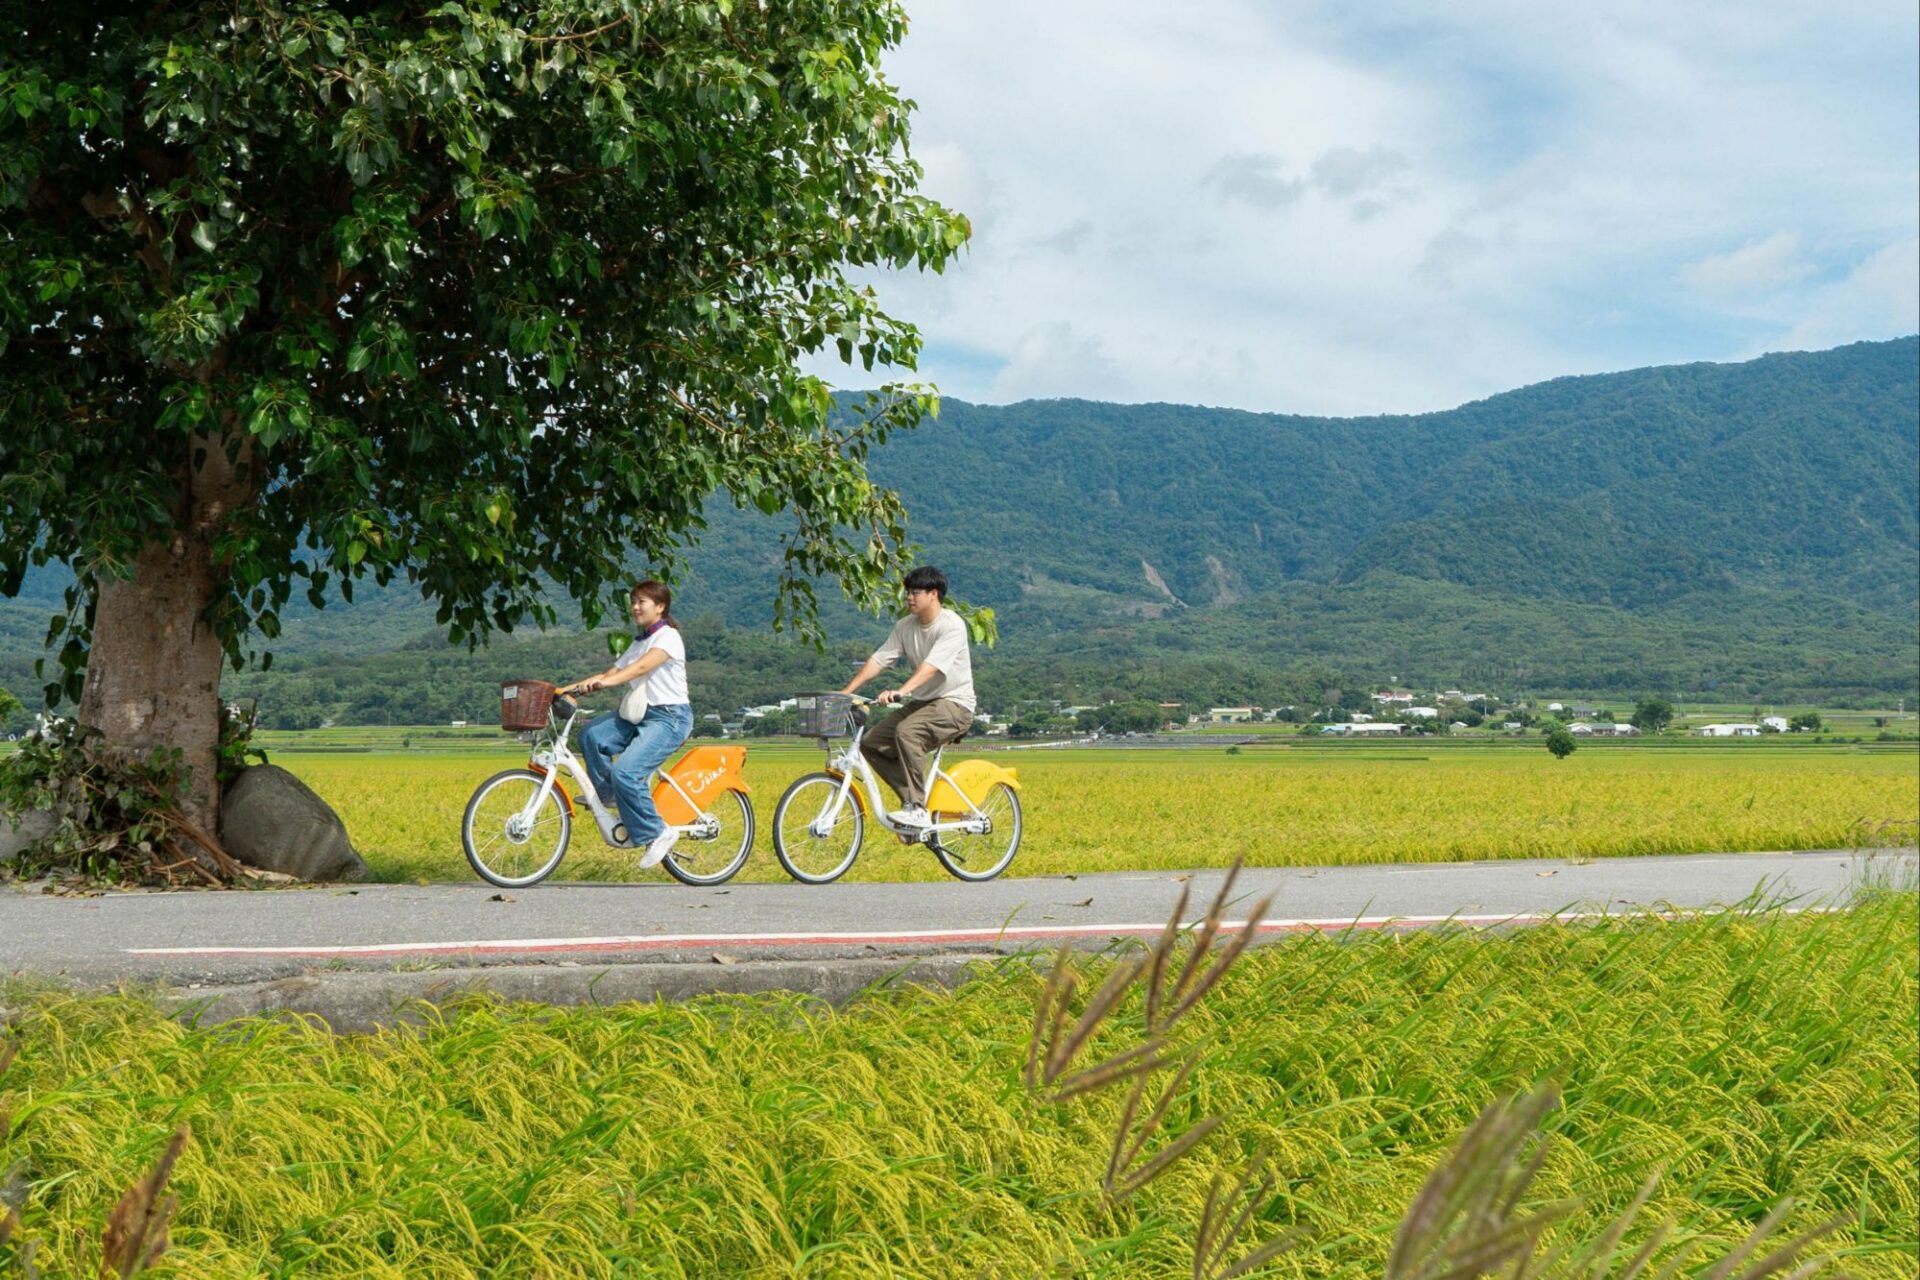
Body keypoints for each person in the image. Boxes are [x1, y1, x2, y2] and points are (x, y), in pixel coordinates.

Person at [560, 580, 693, 869]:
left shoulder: (668, 637)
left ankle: (657, 832)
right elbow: (613, 671)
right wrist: (565, 689)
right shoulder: (639, 641)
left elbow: (642, 668)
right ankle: (610, 795)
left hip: (669, 717)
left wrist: (607, 681)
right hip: (639, 715)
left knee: (627, 772)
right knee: (592, 735)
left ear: (660, 607)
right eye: (633, 601)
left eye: (641, 602)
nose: (634, 607)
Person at [840, 565, 976, 827]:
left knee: (907, 732)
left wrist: (901, 691)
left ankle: (917, 808)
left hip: (955, 705)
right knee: (870, 743)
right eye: (908, 593)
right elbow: (879, 659)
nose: (909, 598)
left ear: (933, 594)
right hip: (923, 703)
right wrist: (846, 692)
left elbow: (931, 667)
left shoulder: (952, 626)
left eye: (915, 593)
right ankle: (911, 800)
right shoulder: (906, 626)